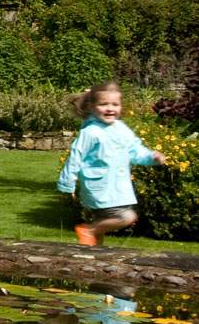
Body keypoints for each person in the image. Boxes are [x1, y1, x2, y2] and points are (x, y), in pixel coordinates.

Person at [57, 81, 163, 247]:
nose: (110, 108)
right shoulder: (90, 132)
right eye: (104, 104)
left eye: (115, 104)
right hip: (101, 188)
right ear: (92, 107)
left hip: (117, 187)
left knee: (100, 231)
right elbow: (75, 157)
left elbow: (134, 150)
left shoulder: (121, 129)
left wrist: (151, 157)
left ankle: (93, 258)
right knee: (127, 217)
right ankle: (89, 230)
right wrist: (67, 184)